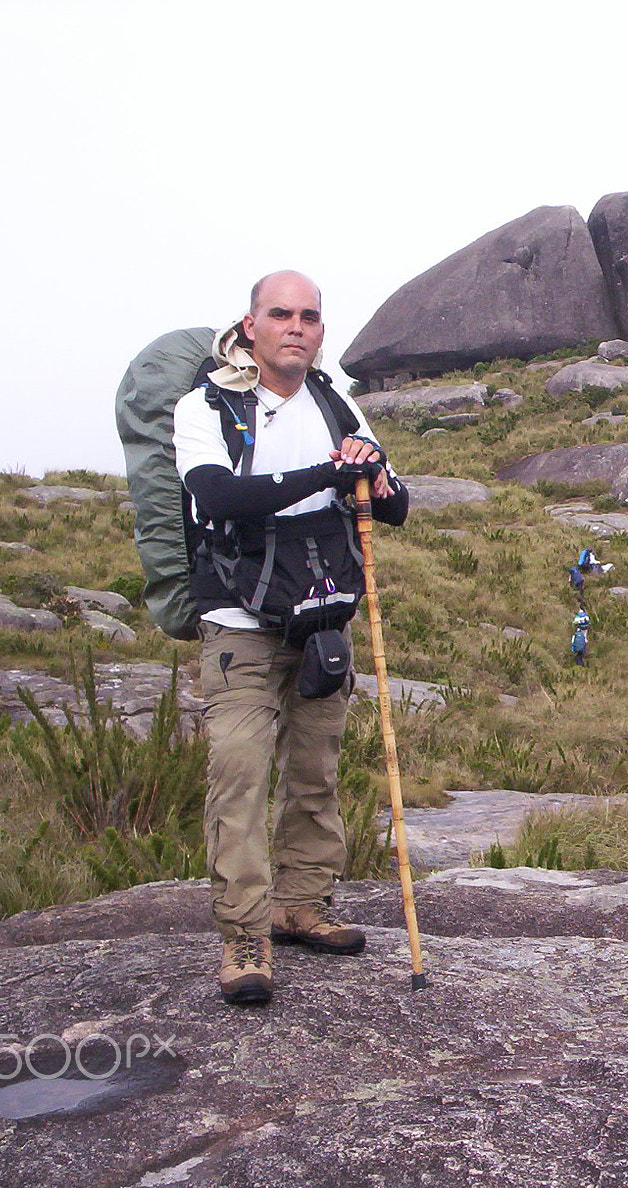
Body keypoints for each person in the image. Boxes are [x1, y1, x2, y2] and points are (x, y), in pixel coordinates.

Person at [173, 271, 408, 1006]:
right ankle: (244, 935)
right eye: (280, 315)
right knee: (239, 775)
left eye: (309, 316)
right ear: (251, 326)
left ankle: (301, 903)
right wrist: (327, 474)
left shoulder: (339, 406)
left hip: (320, 623)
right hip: (239, 624)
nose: (295, 328)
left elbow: (396, 507)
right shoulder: (208, 405)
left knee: (316, 771)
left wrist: (372, 474)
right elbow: (217, 495)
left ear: (320, 331)